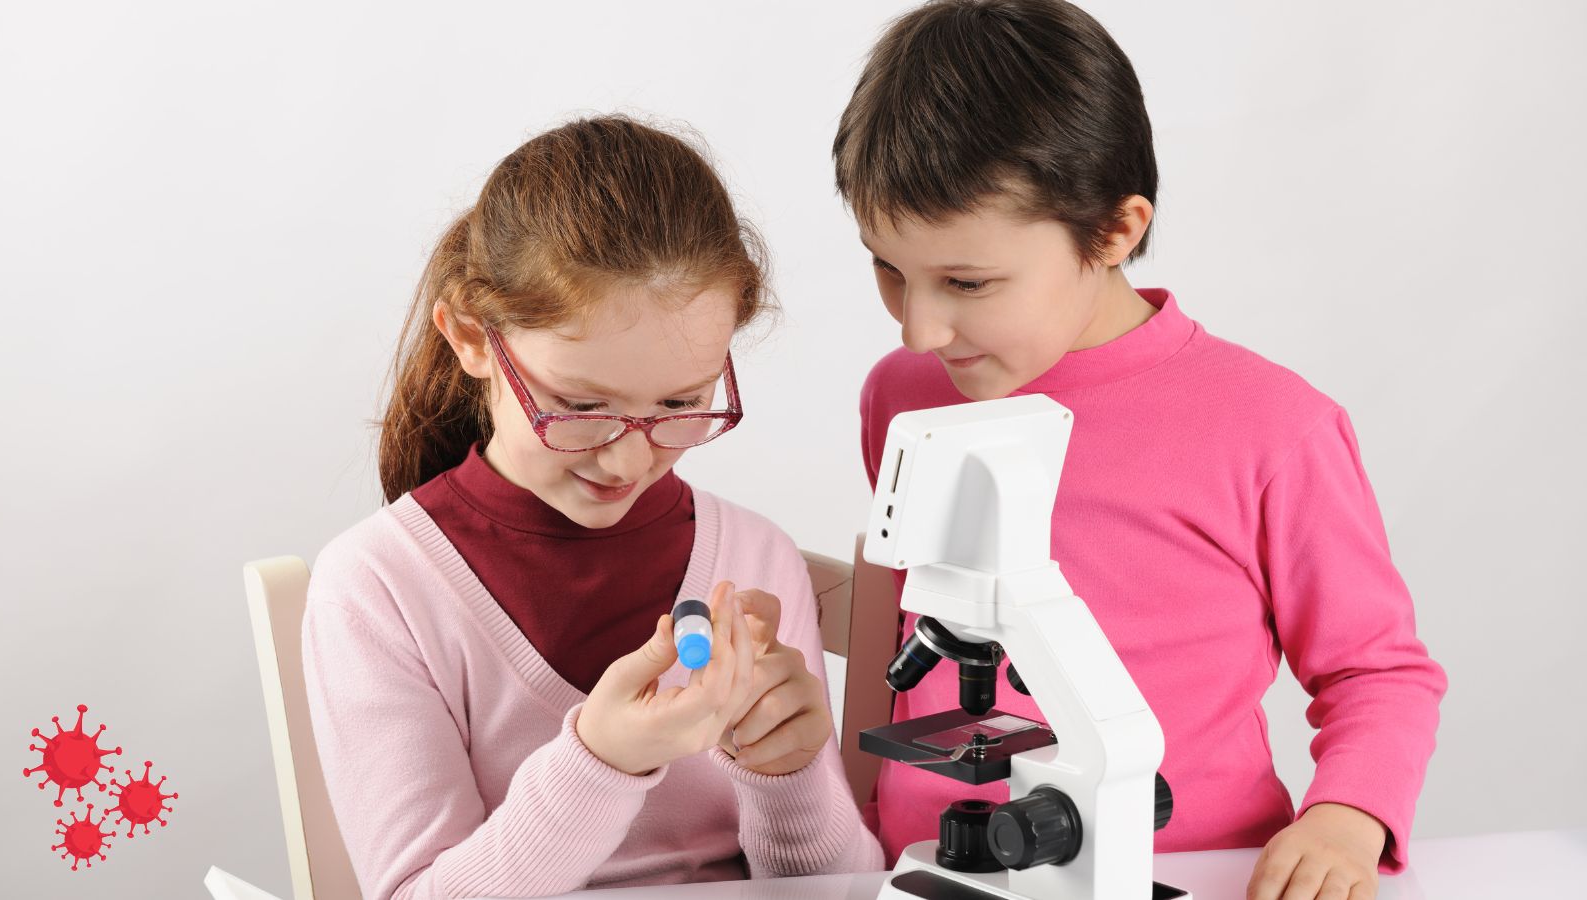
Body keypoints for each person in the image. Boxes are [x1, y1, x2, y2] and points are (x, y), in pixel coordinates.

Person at [832, 3, 1447, 899]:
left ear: (1115, 231)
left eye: (967, 282)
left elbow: (1375, 669)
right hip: (930, 867)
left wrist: (1346, 820)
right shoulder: (904, 395)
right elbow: (906, 619)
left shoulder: (1273, 427)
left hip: (1187, 867)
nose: (921, 328)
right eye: (888, 268)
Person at [303, 115, 882, 900]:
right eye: (580, 406)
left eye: (682, 402)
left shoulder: (757, 557)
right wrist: (602, 762)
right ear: (472, 338)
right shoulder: (378, 587)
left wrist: (787, 774)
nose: (629, 457)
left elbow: (841, 888)